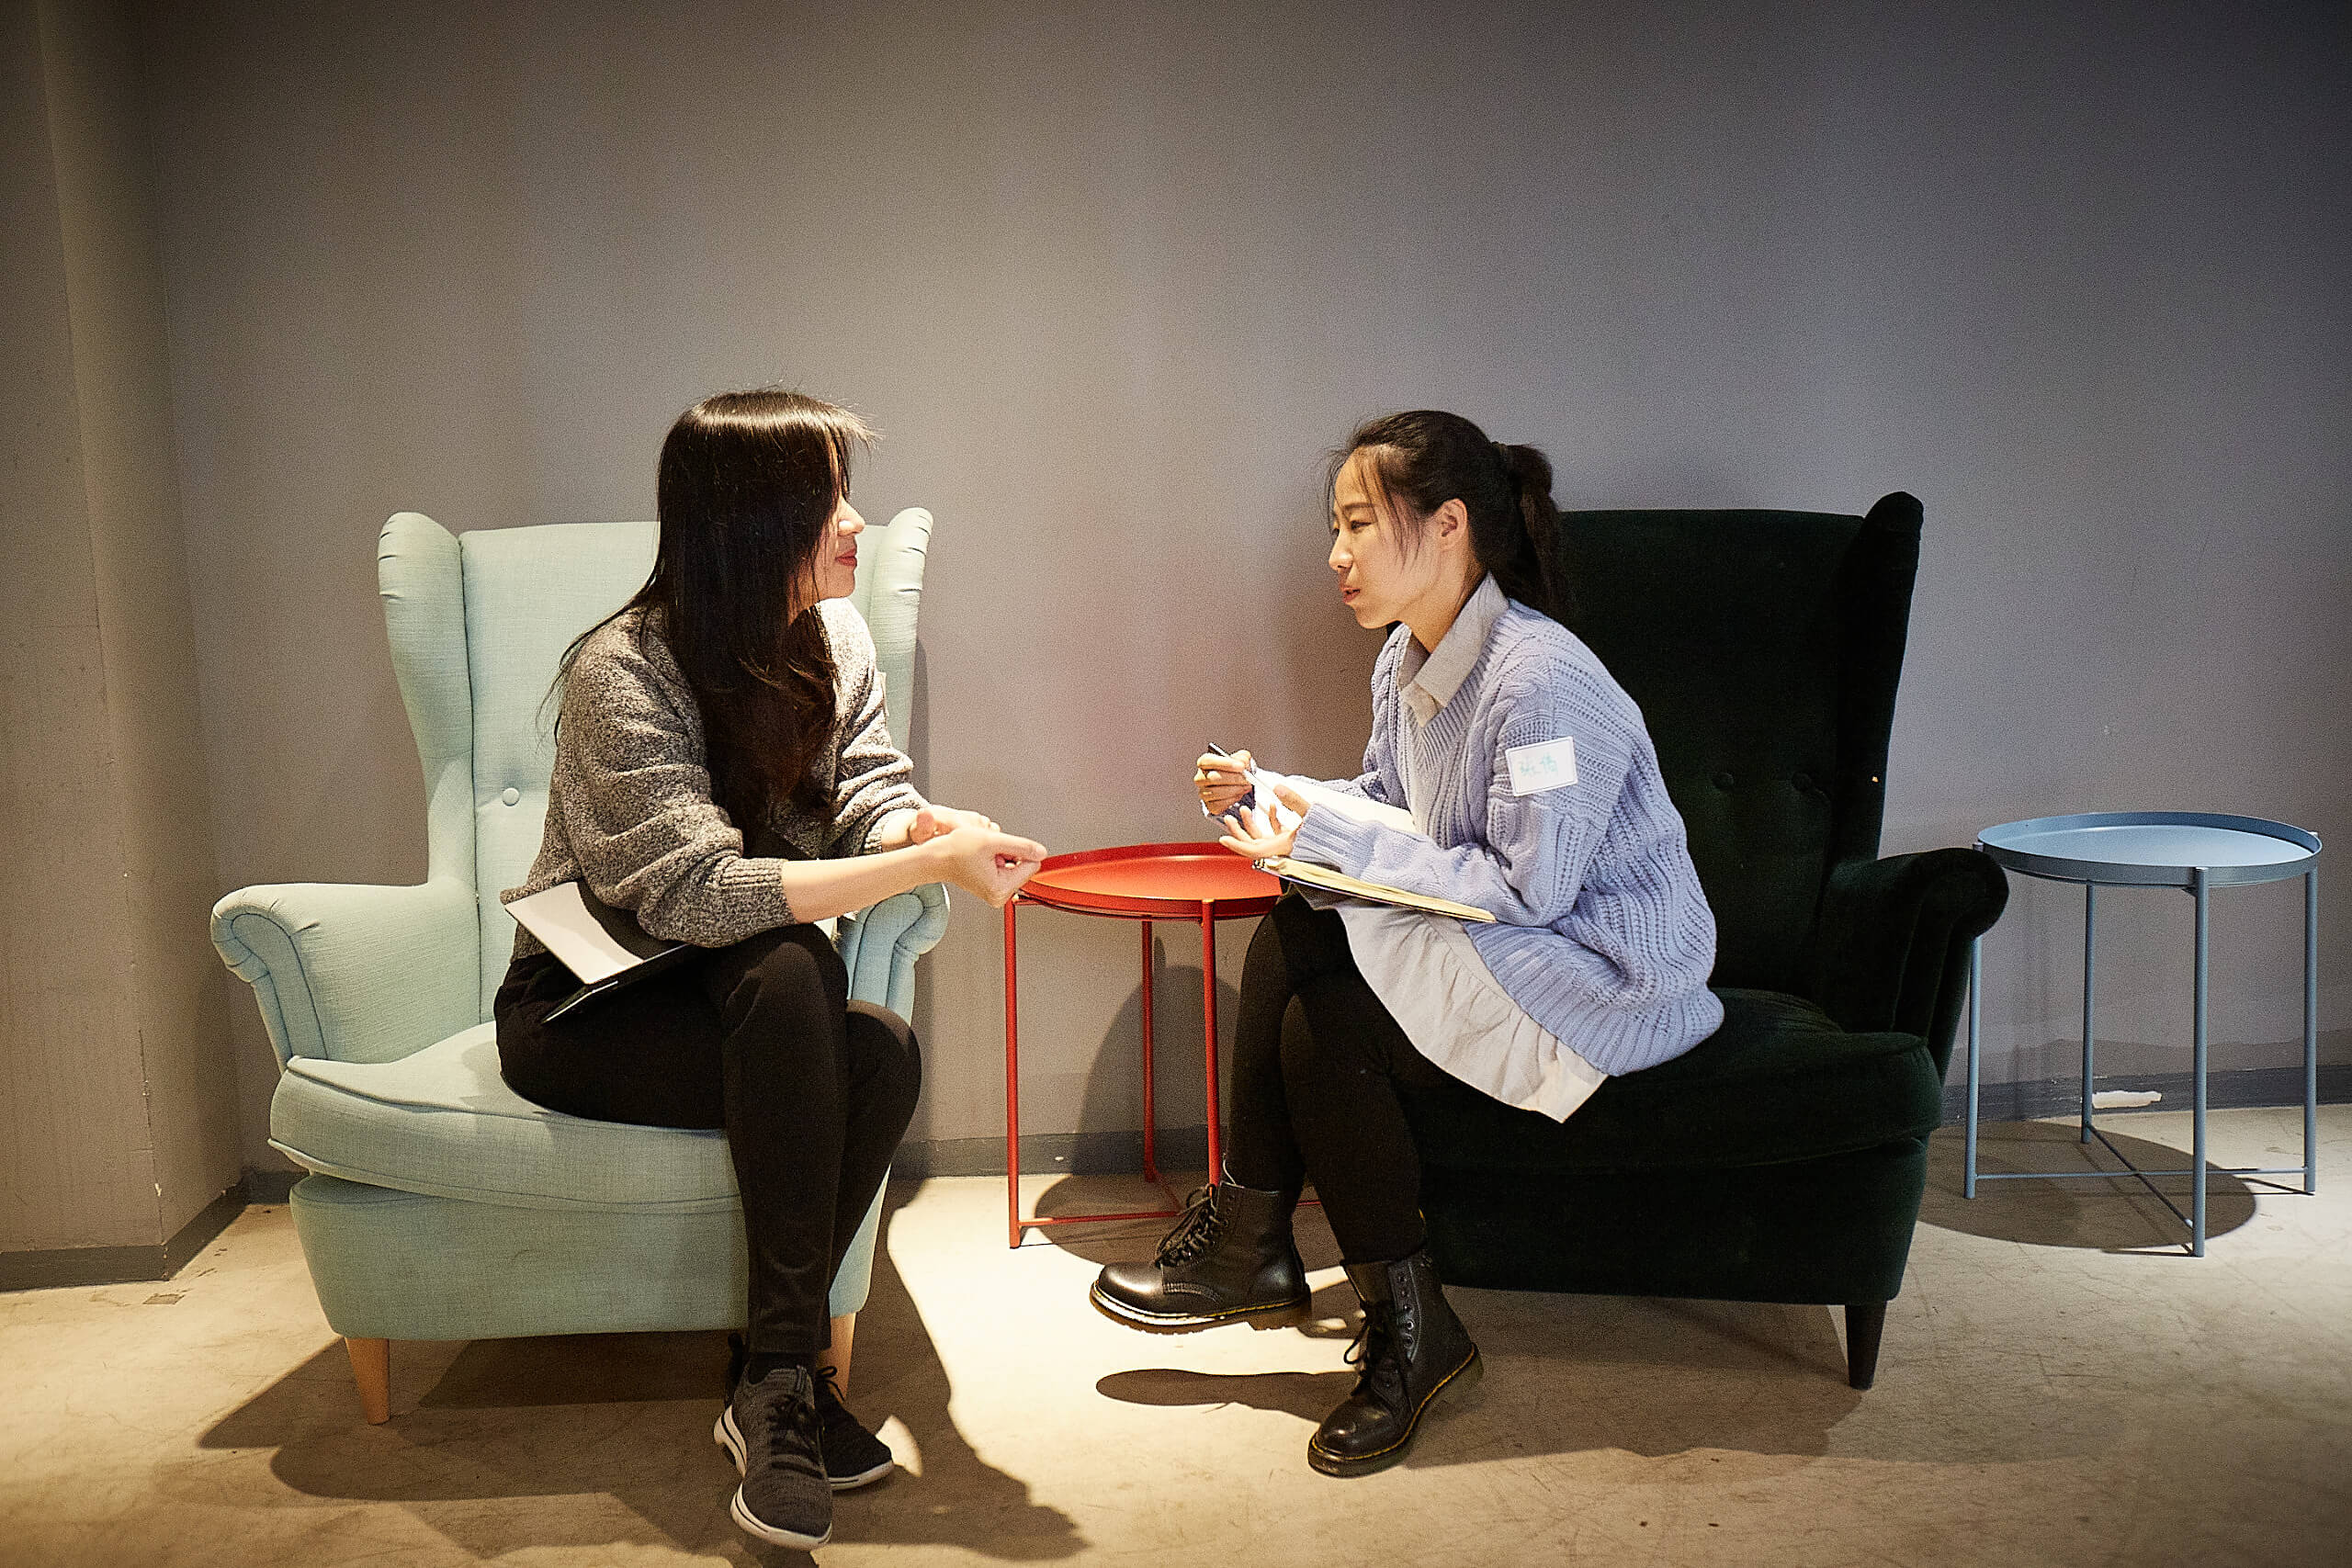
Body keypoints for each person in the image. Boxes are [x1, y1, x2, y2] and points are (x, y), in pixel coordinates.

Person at [1090, 410, 1723, 1477]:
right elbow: (1390, 802)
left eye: (1356, 525)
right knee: (1298, 917)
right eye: (1333, 528)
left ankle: (1376, 1314)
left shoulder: (1540, 684)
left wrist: (1320, 835)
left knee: (1326, 1024)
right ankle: (1265, 1246)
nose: (1335, 554)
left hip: (1603, 976)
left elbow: (1530, 887)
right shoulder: (1406, 658)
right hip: (1517, 938)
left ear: (1447, 526)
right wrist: (1272, 793)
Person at [494, 389, 1046, 1550]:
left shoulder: (834, 641)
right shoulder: (620, 669)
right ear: (746, 526)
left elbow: (863, 792)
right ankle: (785, 1390)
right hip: (590, 1007)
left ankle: (774, 1379)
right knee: (795, 967)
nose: (856, 523)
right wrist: (926, 866)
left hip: (739, 999)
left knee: (879, 1051)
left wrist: (926, 828)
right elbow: (698, 895)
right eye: (826, 502)